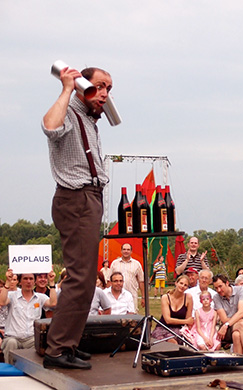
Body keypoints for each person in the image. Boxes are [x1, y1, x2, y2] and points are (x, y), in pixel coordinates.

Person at [41, 65, 111, 369]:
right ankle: (57, 350)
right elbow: (49, 126)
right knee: (80, 277)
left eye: (109, 89)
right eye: (100, 87)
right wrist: (67, 88)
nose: (105, 95)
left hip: (90, 198)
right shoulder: (69, 110)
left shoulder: (88, 119)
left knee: (85, 279)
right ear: (84, 86)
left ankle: (68, 343)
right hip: (75, 198)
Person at [0, 269, 57, 364]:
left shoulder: (40, 297)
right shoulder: (12, 296)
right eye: (25, 278)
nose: (28, 281)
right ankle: (10, 371)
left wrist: (51, 282)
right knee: (11, 343)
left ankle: (33, 372)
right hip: (13, 337)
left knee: (40, 343)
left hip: (31, 338)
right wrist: (7, 282)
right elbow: (2, 302)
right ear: (20, 281)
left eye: (31, 278)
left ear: (34, 281)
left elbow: (53, 303)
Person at [212, 274, 243, 358]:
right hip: (226, 330)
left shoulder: (240, 290)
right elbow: (224, 319)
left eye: (220, 286)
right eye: (216, 288)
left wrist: (227, 324)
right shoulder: (216, 297)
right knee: (242, 324)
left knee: (236, 335)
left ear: (227, 283)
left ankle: (239, 363)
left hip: (234, 328)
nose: (219, 290)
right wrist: (242, 321)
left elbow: (241, 312)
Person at [151, 275, 194, 343]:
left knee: (173, 341)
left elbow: (188, 320)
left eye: (185, 285)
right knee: (165, 340)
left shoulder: (188, 298)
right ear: (176, 283)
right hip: (163, 327)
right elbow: (168, 320)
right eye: (181, 283)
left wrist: (187, 322)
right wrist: (185, 321)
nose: (182, 286)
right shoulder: (166, 297)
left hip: (178, 329)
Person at [110, 243, 145, 311]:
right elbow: (109, 280)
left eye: (128, 250)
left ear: (131, 252)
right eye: (124, 249)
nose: (126, 251)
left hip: (132, 295)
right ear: (121, 251)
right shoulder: (115, 263)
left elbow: (141, 281)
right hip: (116, 296)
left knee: (132, 316)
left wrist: (143, 297)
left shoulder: (136, 264)